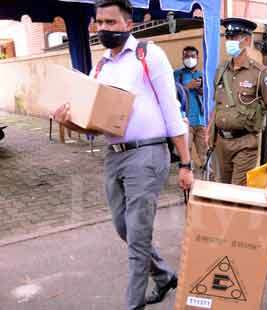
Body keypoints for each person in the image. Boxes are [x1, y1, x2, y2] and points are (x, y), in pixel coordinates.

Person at [53, 1, 193, 309]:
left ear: (127, 24)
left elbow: (172, 110)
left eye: (111, 22)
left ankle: (133, 304)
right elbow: (90, 121)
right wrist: (67, 120)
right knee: (123, 227)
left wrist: (185, 163)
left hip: (148, 154)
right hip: (114, 155)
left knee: (138, 236)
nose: (103, 28)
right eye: (99, 22)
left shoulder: (148, 55)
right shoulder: (101, 65)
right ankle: (165, 274)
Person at [207, 18, 267, 185]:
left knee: (238, 193)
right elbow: (217, 106)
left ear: (247, 40)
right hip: (221, 143)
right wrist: (209, 133)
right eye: (228, 37)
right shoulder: (221, 71)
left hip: (245, 143)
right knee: (221, 190)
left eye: (234, 38)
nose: (229, 42)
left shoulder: (261, 73)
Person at [174, 46, 208, 169]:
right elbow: (172, 94)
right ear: (182, 58)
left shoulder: (203, 74)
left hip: (201, 121)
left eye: (192, 56)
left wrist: (201, 90)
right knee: (185, 156)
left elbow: (211, 96)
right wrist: (187, 87)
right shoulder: (177, 75)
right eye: (187, 56)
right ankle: (187, 182)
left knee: (205, 155)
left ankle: (207, 181)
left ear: (197, 58)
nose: (190, 59)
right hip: (185, 121)